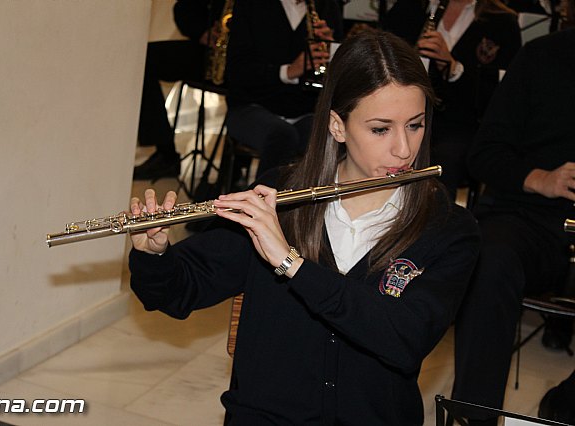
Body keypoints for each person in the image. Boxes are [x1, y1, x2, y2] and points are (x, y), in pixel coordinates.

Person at [127, 29, 480, 424]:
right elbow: (178, 292)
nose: (404, 149)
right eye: (381, 129)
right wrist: (154, 253)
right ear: (337, 126)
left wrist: (292, 264)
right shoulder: (280, 197)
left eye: (415, 125)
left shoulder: (448, 226)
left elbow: (402, 338)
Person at [450, 20, 575, 425]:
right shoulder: (541, 57)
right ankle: (475, 417)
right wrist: (542, 179)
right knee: (489, 260)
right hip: (531, 218)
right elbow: (484, 152)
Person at [384, 0, 521, 201]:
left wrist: (453, 67)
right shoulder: (411, 8)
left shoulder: (502, 22)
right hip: (402, 114)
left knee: (443, 158)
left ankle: (432, 223)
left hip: (462, 125)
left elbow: (500, 95)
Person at [224, 0, 343, 180]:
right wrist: (288, 71)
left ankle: (319, 204)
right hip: (251, 105)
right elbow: (237, 71)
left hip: (305, 108)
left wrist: (332, 49)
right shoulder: (250, 5)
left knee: (335, 135)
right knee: (281, 136)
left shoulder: (327, 5)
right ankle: (261, 203)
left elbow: (335, 76)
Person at [133, 0, 226, 181]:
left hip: (249, 60)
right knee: (145, 58)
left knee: (249, 83)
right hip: (210, 50)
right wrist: (203, 32)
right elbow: (184, 9)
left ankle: (234, 168)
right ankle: (165, 153)